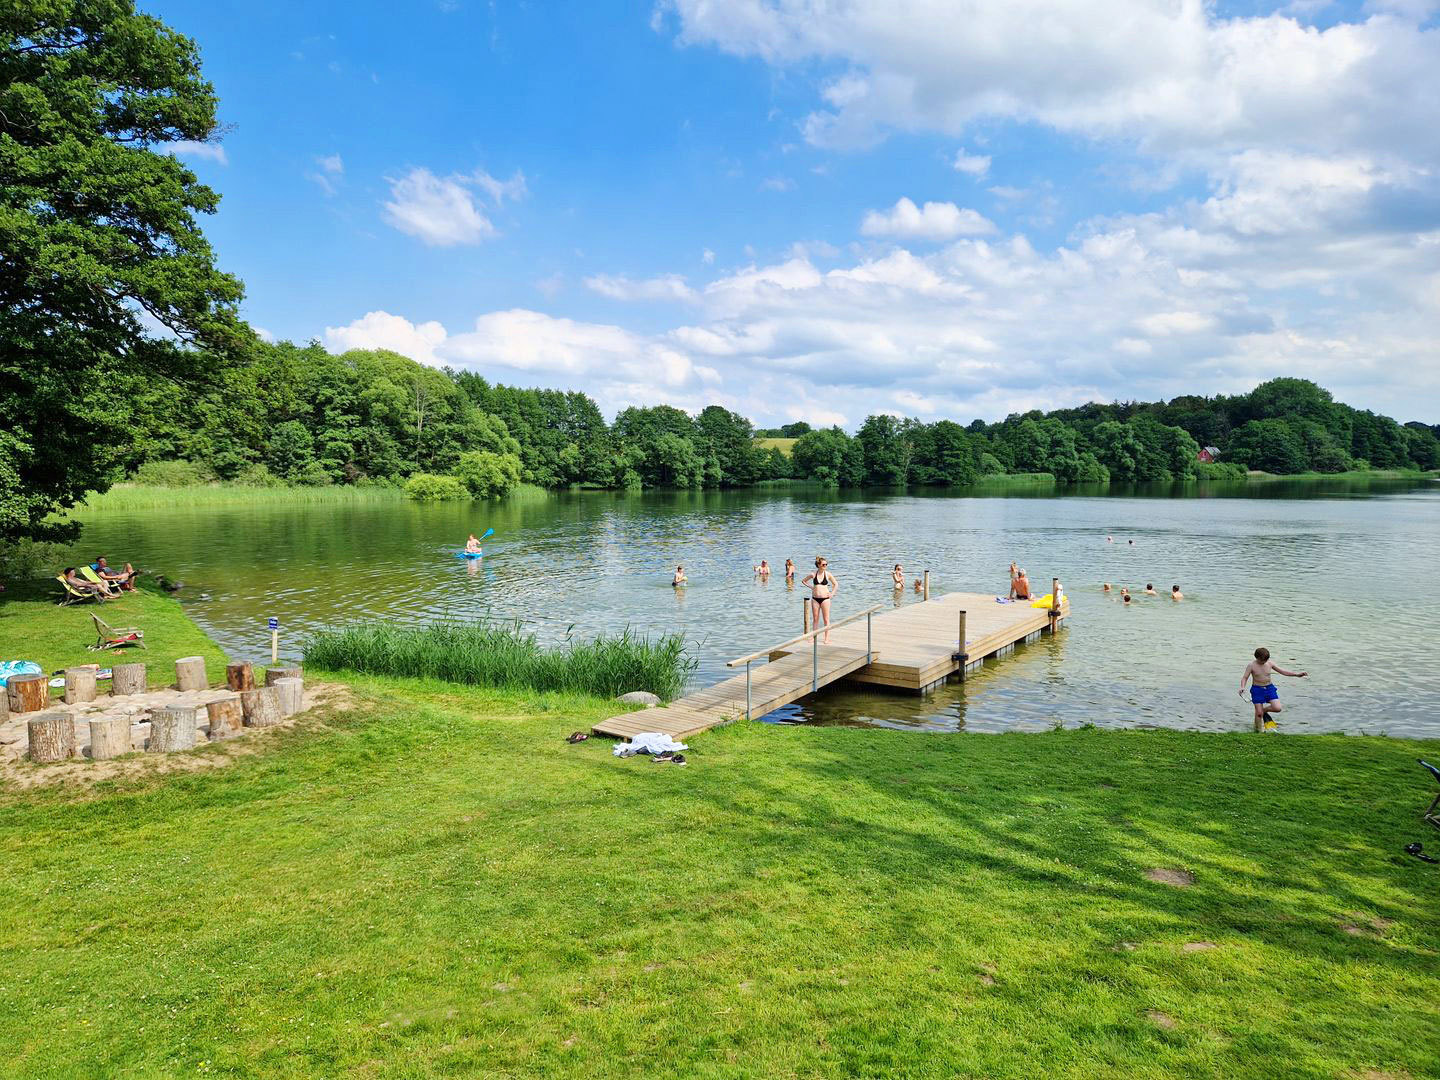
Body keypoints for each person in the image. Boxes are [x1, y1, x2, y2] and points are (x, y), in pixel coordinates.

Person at [1240, 647, 1307, 731]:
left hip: (1269, 688)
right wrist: (1242, 687)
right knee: (1259, 714)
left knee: (1277, 708)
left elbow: (1283, 671)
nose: (1264, 662)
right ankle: (1258, 731)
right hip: (1257, 690)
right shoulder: (1251, 665)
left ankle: (1263, 710)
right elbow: (1245, 677)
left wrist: (1297, 674)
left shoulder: (1269, 663)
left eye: (1266, 660)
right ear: (1257, 658)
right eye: (1262, 660)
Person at [801, 556, 837, 644]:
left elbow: (836, 584)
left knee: (826, 619)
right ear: (818, 565)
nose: (825, 566)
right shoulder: (813, 574)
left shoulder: (828, 574)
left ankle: (826, 638)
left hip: (825, 599)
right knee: (815, 619)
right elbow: (804, 581)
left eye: (826, 564)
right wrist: (812, 587)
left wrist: (832, 593)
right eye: (823, 564)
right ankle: (814, 637)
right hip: (815, 599)